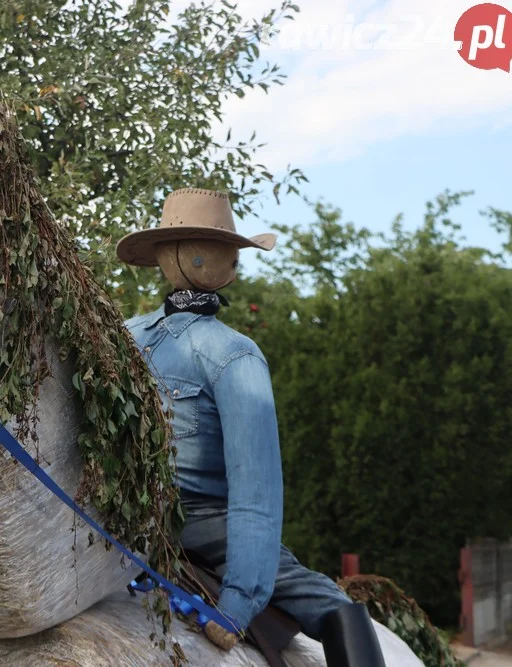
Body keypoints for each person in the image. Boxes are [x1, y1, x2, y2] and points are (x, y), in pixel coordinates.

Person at [116, 188, 385, 667]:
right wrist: (239, 602)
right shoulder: (233, 354)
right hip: (202, 527)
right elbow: (256, 495)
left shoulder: (124, 336)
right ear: (219, 264)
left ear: (163, 256)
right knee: (335, 607)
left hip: (132, 520)